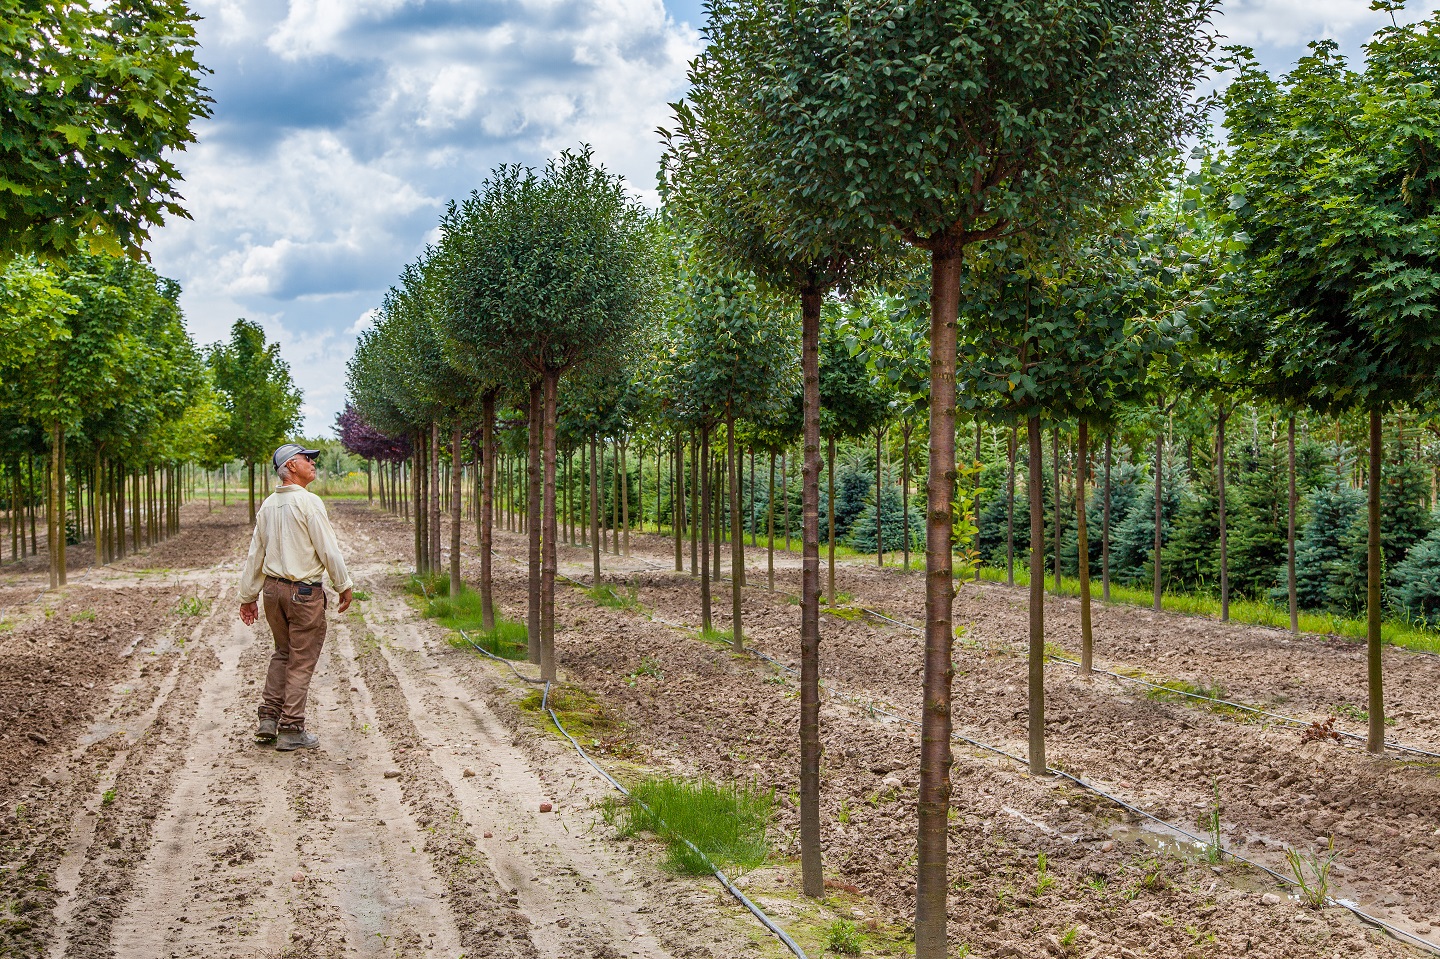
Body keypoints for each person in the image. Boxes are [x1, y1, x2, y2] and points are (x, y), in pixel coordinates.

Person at [238, 443, 354, 751]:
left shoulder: (267, 506)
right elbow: (328, 549)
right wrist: (344, 584)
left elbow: (255, 555)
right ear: (291, 466)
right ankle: (291, 727)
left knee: (283, 652)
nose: (313, 463)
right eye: (307, 459)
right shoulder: (309, 503)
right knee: (301, 659)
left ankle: (268, 717)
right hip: (304, 593)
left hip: (272, 592)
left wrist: (248, 595)